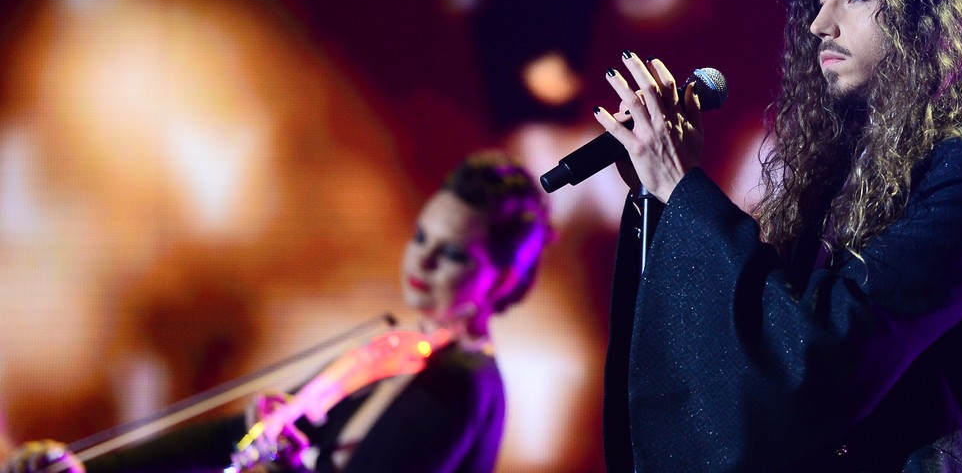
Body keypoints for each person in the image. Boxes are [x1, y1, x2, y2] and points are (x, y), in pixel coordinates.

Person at [593, 0, 962, 472]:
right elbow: (758, 336)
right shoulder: (845, 171)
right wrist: (661, 194)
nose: (819, 24)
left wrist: (684, 188)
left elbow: (827, 353)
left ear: (928, 15)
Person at [3, 151, 552, 473]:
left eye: (453, 253)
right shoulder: (395, 351)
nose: (421, 260)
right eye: (421, 236)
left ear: (504, 278)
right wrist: (81, 467)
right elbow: (239, 435)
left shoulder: (463, 382)